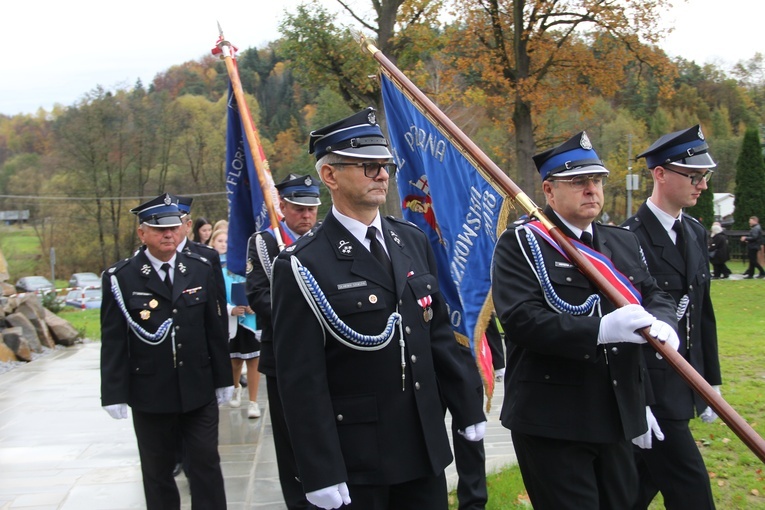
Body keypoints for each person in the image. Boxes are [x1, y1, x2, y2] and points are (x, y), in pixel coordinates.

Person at [269, 108, 486, 510]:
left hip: (422, 446)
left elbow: (437, 333)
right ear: (330, 175)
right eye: (368, 166)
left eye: (384, 165)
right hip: (359, 458)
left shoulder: (412, 240)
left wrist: (466, 404)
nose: (382, 175)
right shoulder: (303, 263)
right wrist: (320, 469)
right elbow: (301, 381)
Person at [491, 132, 680, 510]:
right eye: (577, 181)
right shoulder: (523, 243)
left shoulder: (620, 242)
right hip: (553, 418)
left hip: (616, 414)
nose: (591, 189)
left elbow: (654, 293)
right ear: (548, 189)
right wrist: (600, 331)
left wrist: (664, 322)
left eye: (596, 180)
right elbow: (520, 319)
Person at [99, 193, 233, 509]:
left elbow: (213, 329)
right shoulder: (122, 277)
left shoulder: (199, 267)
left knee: (205, 464)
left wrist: (223, 378)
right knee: (157, 471)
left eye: (174, 227)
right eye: (159, 229)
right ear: (142, 233)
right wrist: (113, 392)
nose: (169, 235)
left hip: (197, 388)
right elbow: (114, 340)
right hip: (149, 391)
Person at [623, 125, 722, 510]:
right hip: (653, 393)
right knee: (692, 490)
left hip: (685, 384)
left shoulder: (695, 233)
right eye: (694, 176)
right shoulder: (628, 238)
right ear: (660, 174)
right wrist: (639, 401)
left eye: (705, 176)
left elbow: (703, 313)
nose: (702, 185)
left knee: (636, 489)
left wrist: (710, 381)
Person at [245, 173, 322, 510]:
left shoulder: (325, 238)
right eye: (298, 209)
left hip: (326, 353)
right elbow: (260, 296)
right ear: (283, 207)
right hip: (283, 356)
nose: (306, 216)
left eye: (311, 209)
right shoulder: (264, 243)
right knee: (290, 437)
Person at [210, 228, 262, 419]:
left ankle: (253, 402)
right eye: (221, 241)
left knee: (254, 360)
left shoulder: (249, 262)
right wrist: (230, 308)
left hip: (250, 319)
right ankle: (236, 386)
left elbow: (259, 285)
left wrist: (254, 304)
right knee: (235, 361)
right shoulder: (213, 266)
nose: (225, 244)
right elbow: (214, 296)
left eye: (228, 241)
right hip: (230, 320)